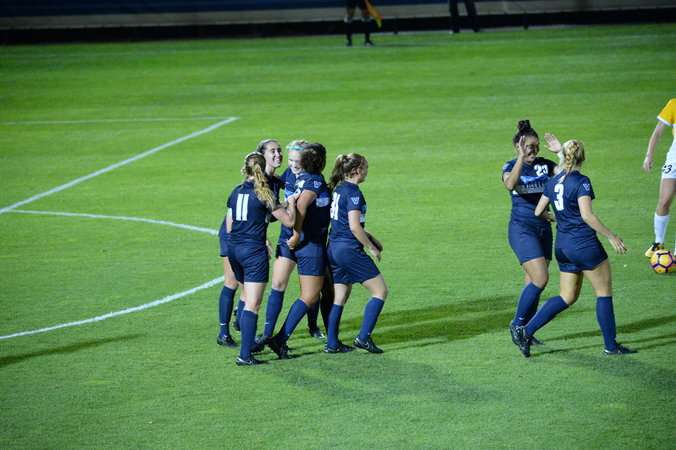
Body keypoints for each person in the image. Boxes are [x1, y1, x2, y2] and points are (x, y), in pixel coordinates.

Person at [513, 139, 637, 357]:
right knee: (603, 294)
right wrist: (612, 237)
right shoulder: (581, 181)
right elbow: (587, 216)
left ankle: (526, 331)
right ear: (583, 157)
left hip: (563, 247)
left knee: (567, 296)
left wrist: (556, 217)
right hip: (584, 245)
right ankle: (610, 346)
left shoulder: (553, 181)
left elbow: (538, 212)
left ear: (565, 156)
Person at [253, 140, 325, 352]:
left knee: (311, 292)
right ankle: (268, 334)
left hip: (305, 240)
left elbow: (297, 203)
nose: (293, 165)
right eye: (291, 160)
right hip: (292, 239)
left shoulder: (311, 179)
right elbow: (286, 194)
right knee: (279, 284)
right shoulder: (293, 175)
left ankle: (312, 326)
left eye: (297, 161)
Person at [225, 151, 296, 365]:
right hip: (253, 253)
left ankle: (245, 349)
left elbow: (230, 225)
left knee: (246, 296)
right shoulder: (264, 193)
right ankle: (245, 355)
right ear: (262, 168)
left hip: (234, 250)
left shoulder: (236, 191)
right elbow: (289, 222)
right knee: (253, 304)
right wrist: (291, 202)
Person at [268, 143, 331, 359]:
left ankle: (270, 335)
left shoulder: (300, 177)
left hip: (294, 241)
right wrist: (296, 234)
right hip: (309, 243)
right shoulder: (315, 180)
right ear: (322, 160)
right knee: (310, 295)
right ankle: (278, 339)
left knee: (282, 286)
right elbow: (302, 206)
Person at [502, 120, 560, 347]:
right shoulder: (509, 166)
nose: (533, 151)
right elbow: (510, 185)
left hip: (543, 228)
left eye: (536, 146)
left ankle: (527, 331)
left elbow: (569, 176)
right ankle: (517, 325)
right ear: (518, 146)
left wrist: (560, 153)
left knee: (534, 284)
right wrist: (520, 157)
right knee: (541, 278)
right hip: (522, 229)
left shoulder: (546, 165)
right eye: (529, 147)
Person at [325, 153, 388, 354]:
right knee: (380, 291)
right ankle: (363, 338)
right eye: (366, 168)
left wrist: (370, 236)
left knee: (340, 296)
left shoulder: (339, 188)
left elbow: (345, 223)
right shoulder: (353, 193)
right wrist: (371, 247)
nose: (367, 171)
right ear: (358, 170)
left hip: (333, 248)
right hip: (348, 249)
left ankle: (332, 343)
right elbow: (354, 227)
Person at [222, 139, 282, 344]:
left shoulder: (271, 181)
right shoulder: (257, 186)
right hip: (241, 237)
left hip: (242, 238)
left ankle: (241, 328)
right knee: (237, 287)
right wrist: (290, 204)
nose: (278, 154)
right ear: (262, 157)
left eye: (279, 150)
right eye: (272, 151)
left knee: (246, 292)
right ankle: (228, 335)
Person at [643, 99, 676, 258]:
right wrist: (649, 155)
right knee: (664, 201)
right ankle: (658, 242)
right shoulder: (674, 104)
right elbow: (657, 132)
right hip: (674, 160)